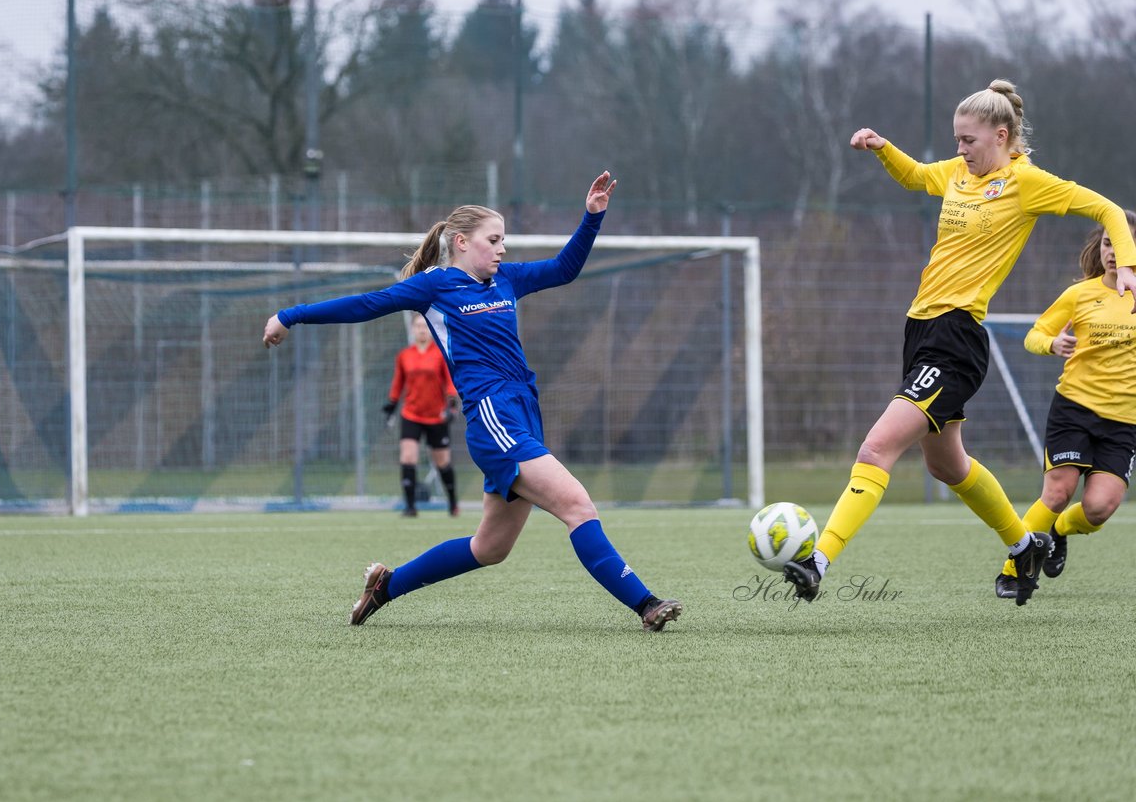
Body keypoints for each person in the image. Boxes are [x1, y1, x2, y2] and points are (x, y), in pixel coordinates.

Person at [263, 172, 683, 631]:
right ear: (462, 242)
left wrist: (592, 216)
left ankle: (387, 585)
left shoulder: (506, 281)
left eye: (504, 240)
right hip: (492, 417)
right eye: (495, 239)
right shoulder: (435, 286)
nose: (502, 249)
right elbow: (365, 304)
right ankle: (646, 604)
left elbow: (565, 269)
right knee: (578, 506)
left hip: (523, 411)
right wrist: (290, 316)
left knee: (490, 549)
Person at [783, 79, 1136, 607]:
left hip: (956, 339)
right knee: (947, 466)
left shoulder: (1027, 183)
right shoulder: (956, 174)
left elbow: (1107, 209)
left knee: (877, 447)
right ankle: (1023, 545)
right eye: (956, 140)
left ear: (1000, 135)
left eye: (968, 141)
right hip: (920, 329)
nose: (960, 151)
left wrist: (1126, 264)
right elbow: (918, 176)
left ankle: (817, 560)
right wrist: (883, 149)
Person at [993, 217, 1136, 598]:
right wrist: (1052, 344)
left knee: (1098, 509)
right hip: (1074, 407)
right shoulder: (1080, 295)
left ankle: (1057, 531)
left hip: (1124, 422)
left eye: (1122, 246)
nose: (1113, 253)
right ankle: (1012, 572)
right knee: (1058, 492)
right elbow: (1034, 334)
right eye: (1108, 244)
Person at [384, 313, 462, 517]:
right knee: (408, 458)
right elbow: (398, 382)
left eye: (425, 326)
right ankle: (410, 507)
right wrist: (392, 404)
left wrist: (452, 404)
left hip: (436, 416)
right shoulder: (404, 355)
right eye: (418, 326)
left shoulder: (440, 354)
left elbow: (449, 382)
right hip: (411, 414)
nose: (421, 330)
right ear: (413, 330)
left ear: (430, 329)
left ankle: (453, 503)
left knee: (442, 462)